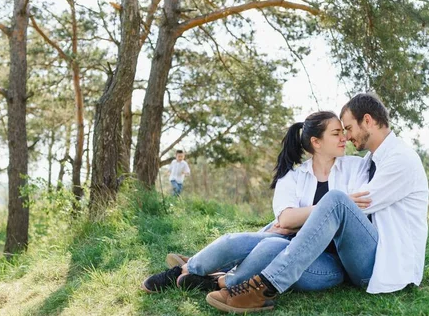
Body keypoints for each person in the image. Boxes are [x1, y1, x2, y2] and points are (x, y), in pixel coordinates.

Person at [206, 92, 429, 313]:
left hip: (385, 264)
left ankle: (264, 287)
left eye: (349, 128)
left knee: (336, 201)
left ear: (368, 121)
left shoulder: (400, 159)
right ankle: (215, 269)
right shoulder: (373, 159)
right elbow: (336, 214)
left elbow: (355, 208)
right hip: (362, 254)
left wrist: (296, 221)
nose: (347, 137)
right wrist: (290, 222)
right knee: (279, 237)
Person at [141, 111, 371, 293]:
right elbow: (286, 219)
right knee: (235, 241)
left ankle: (221, 281)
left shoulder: (355, 167)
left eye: (343, 132)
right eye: (336, 133)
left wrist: (302, 219)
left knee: (270, 246)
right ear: (316, 142)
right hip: (288, 242)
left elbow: (345, 217)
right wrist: (320, 215)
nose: (344, 138)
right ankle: (184, 269)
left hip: (329, 264)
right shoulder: (293, 177)